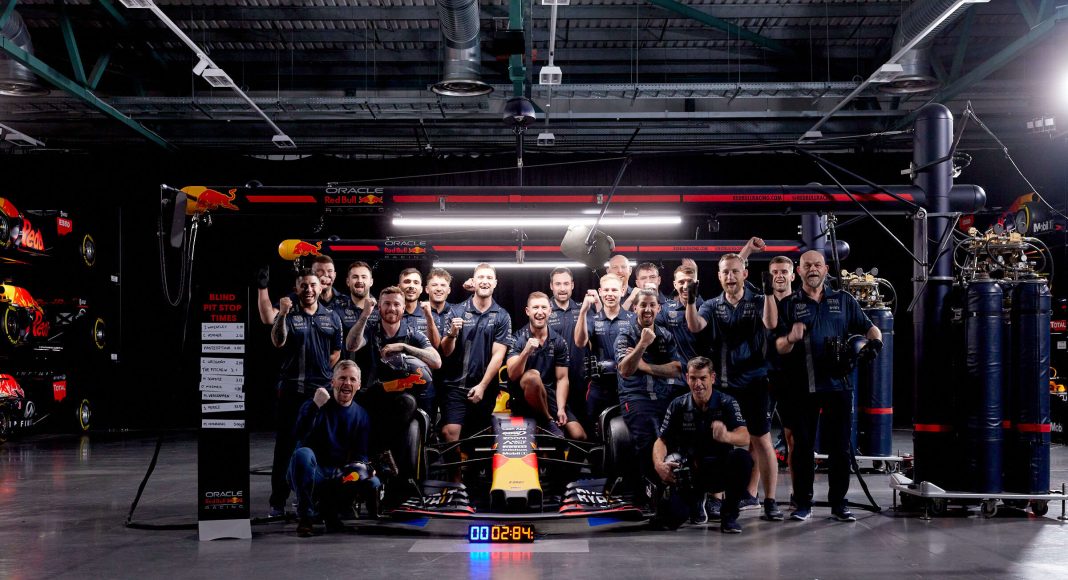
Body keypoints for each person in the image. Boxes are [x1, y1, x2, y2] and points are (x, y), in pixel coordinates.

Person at [775, 250, 883, 522]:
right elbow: (777, 346)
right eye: (807, 265)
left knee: (840, 449)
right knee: (802, 448)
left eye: (817, 265)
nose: (813, 269)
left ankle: (839, 504)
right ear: (799, 271)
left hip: (839, 386)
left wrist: (876, 343)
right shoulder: (788, 304)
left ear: (825, 270)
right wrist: (791, 338)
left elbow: (870, 327)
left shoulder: (843, 300)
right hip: (802, 387)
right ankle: (803, 503)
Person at [685, 249, 783, 522]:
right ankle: (716, 498)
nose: (730, 276)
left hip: (754, 382)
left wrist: (769, 293)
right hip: (725, 385)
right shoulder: (711, 304)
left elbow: (771, 323)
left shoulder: (759, 300)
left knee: (761, 440)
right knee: (718, 440)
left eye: (735, 271)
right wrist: (691, 299)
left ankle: (770, 500)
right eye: (725, 272)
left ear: (745, 274)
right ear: (719, 277)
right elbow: (695, 326)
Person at [268, 269, 343, 517]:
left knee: (320, 446)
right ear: (296, 288)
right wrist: (282, 314)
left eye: (312, 285)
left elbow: (336, 352)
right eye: (303, 286)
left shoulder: (332, 317)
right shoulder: (288, 314)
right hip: (291, 391)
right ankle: (277, 502)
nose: (308, 290)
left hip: (321, 394)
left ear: (320, 287)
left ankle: (312, 498)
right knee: (285, 447)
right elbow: (278, 341)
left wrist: (321, 374)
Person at [653, 356, 753, 533]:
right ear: (687, 378)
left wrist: (727, 436)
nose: (698, 384)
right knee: (668, 521)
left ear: (712, 378)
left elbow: (745, 437)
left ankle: (729, 516)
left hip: (720, 470)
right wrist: (659, 464)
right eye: (693, 378)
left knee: (743, 458)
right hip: (691, 474)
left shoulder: (727, 402)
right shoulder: (678, 405)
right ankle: (696, 504)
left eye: (702, 378)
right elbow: (661, 440)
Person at [288, 360, 379, 537]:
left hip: (337, 474)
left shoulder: (361, 415)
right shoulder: (315, 404)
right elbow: (299, 435)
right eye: (342, 378)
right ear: (333, 382)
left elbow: (360, 454)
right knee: (303, 454)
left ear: (359, 385)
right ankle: (306, 517)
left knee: (371, 480)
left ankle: (330, 511)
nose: (347, 383)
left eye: (352, 379)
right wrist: (315, 407)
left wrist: (366, 468)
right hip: (311, 471)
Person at [616, 288, 685, 492]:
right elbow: (625, 370)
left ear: (658, 308)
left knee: (676, 438)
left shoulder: (665, 335)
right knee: (648, 438)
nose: (647, 309)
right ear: (634, 308)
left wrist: (645, 366)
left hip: (663, 397)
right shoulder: (625, 334)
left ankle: (676, 488)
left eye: (652, 305)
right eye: (643, 305)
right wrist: (642, 344)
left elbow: (677, 369)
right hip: (635, 397)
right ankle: (648, 491)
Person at [439, 264, 512, 455]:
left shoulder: (502, 316)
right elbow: (445, 351)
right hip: (455, 386)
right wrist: (452, 334)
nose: (485, 281)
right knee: (450, 433)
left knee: (476, 441)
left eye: (489, 278)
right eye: (481, 277)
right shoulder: (456, 311)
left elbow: (499, 355)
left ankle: (471, 474)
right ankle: (455, 475)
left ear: (495, 283)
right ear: (474, 281)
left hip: (485, 389)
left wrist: (482, 386)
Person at [346, 286, 441, 429]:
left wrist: (404, 347)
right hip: (376, 394)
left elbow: (436, 361)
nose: (391, 308)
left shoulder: (412, 333)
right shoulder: (370, 330)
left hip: (407, 395)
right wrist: (365, 315)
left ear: (403, 308)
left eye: (396, 304)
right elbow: (351, 346)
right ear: (379, 307)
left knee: (409, 403)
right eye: (387, 304)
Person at [506, 292, 586, 440]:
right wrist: (526, 352)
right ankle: (547, 421)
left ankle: (551, 426)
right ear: (527, 311)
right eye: (535, 307)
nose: (540, 312)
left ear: (550, 311)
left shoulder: (559, 341)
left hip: (548, 396)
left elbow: (562, 379)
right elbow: (512, 374)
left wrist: (561, 408)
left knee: (579, 435)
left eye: (544, 307)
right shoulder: (517, 338)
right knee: (533, 376)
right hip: (523, 397)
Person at [574, 274, 635, 433]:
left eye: (614, 290)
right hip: (599, 385)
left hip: (627, 385)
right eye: (606, 290)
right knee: (593, 429)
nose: (610, 294)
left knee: (626, 430)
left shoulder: (633, 319)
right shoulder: (592, 319)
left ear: (622, 291)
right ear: (600, 292)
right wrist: (583, 312)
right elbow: (579, 342)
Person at [546, 267, 590, 431]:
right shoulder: (543, 310)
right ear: (551, 286)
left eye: (566, 283)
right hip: (553, 382)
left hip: (581, 381)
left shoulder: (583, 309)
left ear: (572, 285)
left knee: (584, 428)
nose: (562, 288)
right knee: (558, 428)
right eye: (558, 284)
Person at [256, 255, 341, 325]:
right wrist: (262, 287)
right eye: (320, 271)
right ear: (312, 273)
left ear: (335, 274)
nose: (325, 275)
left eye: (329, 271)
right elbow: (269, 318)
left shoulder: (345, 301)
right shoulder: (296, 297)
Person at [398, 268, 440, 345]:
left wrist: (429, 317)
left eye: (416, 282)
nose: (411, 286)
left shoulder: (432, 314)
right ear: (399, 287)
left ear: (421, 289)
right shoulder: (390, 312)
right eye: (407, 282)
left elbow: (435, 346)